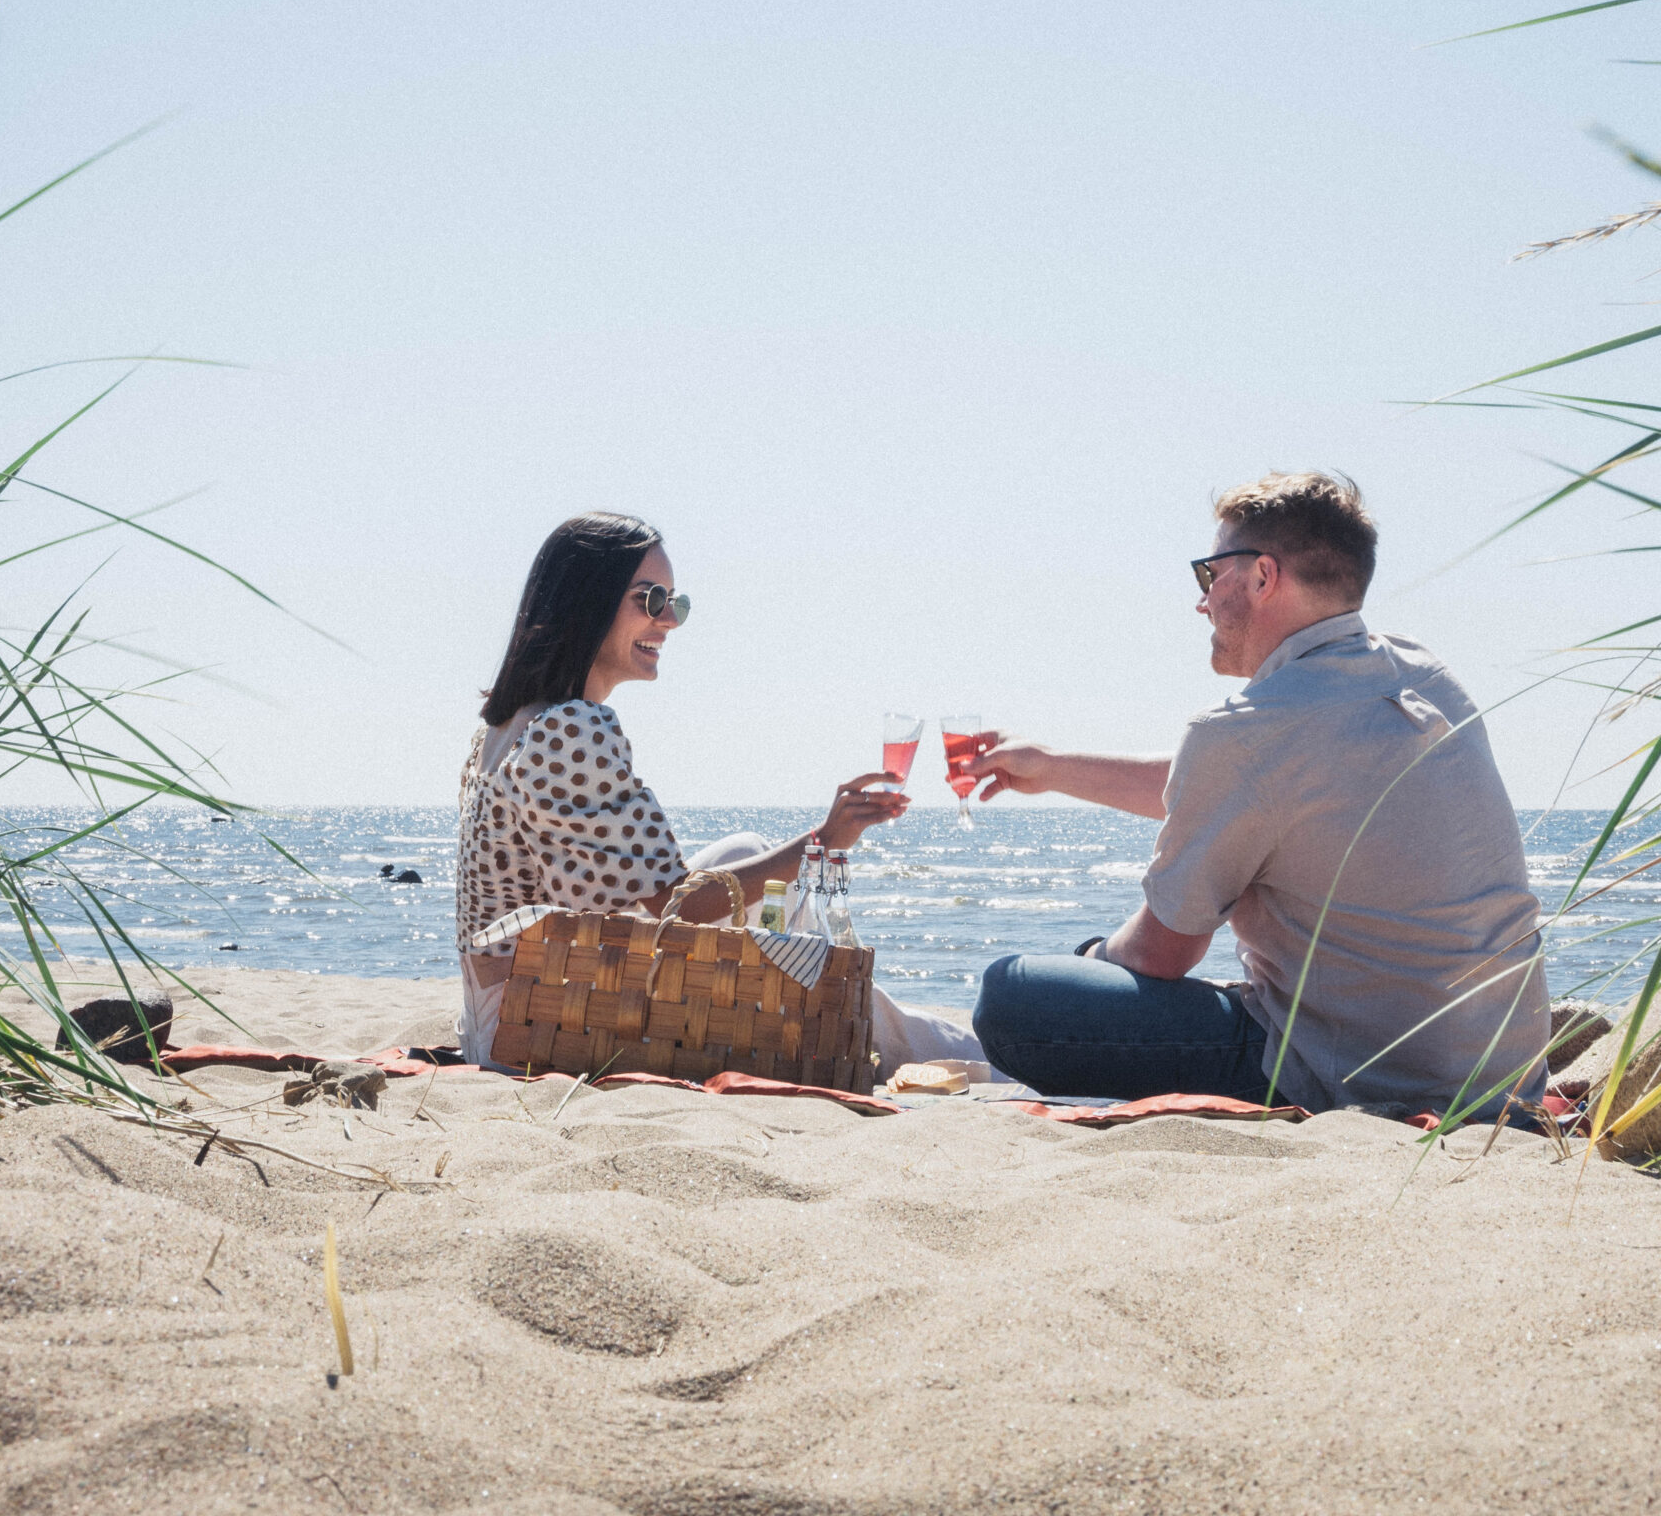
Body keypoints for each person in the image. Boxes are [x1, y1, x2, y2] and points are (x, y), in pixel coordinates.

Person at [966, 471, 1548, 1117]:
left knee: (1012, 998)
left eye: (1210, 574)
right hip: (1504, 1076)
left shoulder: (1249, 735)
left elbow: (1159, 954)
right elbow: (1244, 786)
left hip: (1356, 1077)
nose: (1203, 601)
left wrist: (1091, 959)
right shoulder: (1424, 674)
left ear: (1263, 577)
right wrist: (1051, 768)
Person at [453, 510, 988, 1076]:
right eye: (650, 599)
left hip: (499, 1014)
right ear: (587, 600)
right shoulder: (573, 730)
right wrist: (824, 840)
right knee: (793, 941)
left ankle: (907, 1037)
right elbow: (673, 907)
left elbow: (618, 900)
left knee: (745, 855)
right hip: (540, 1021)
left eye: (676, 604)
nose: (670, 621)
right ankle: (953, 1051)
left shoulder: (511, 724)